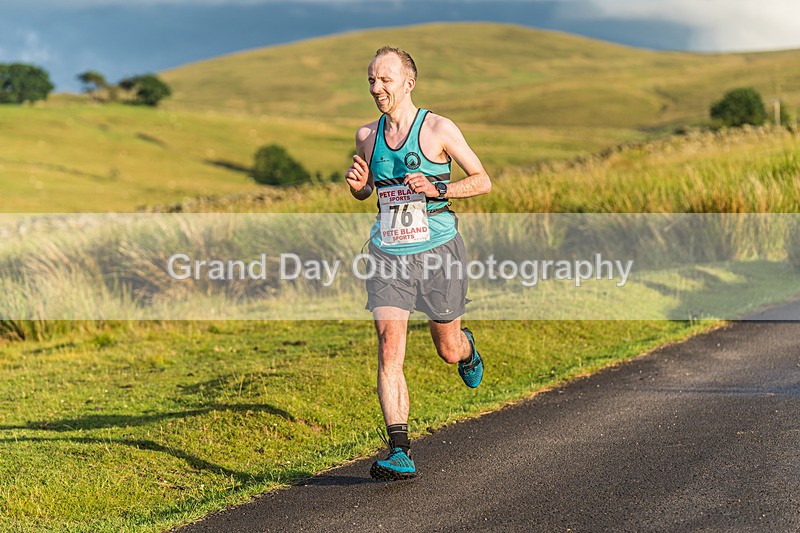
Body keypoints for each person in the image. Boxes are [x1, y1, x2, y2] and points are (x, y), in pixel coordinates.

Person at [345, 46, 492, 481]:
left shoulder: (439, 129)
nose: (376, 88)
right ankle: (399, 450)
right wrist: (359, 188)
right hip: (387, 254)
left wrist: (437, 189)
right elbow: (368, 190)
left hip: (438, 252)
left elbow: (482, 181)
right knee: (389, 347)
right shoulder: (366, 136)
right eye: (371, 80)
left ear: (408, 83)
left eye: (385, 80)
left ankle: (466, 349)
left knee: (447, 349)